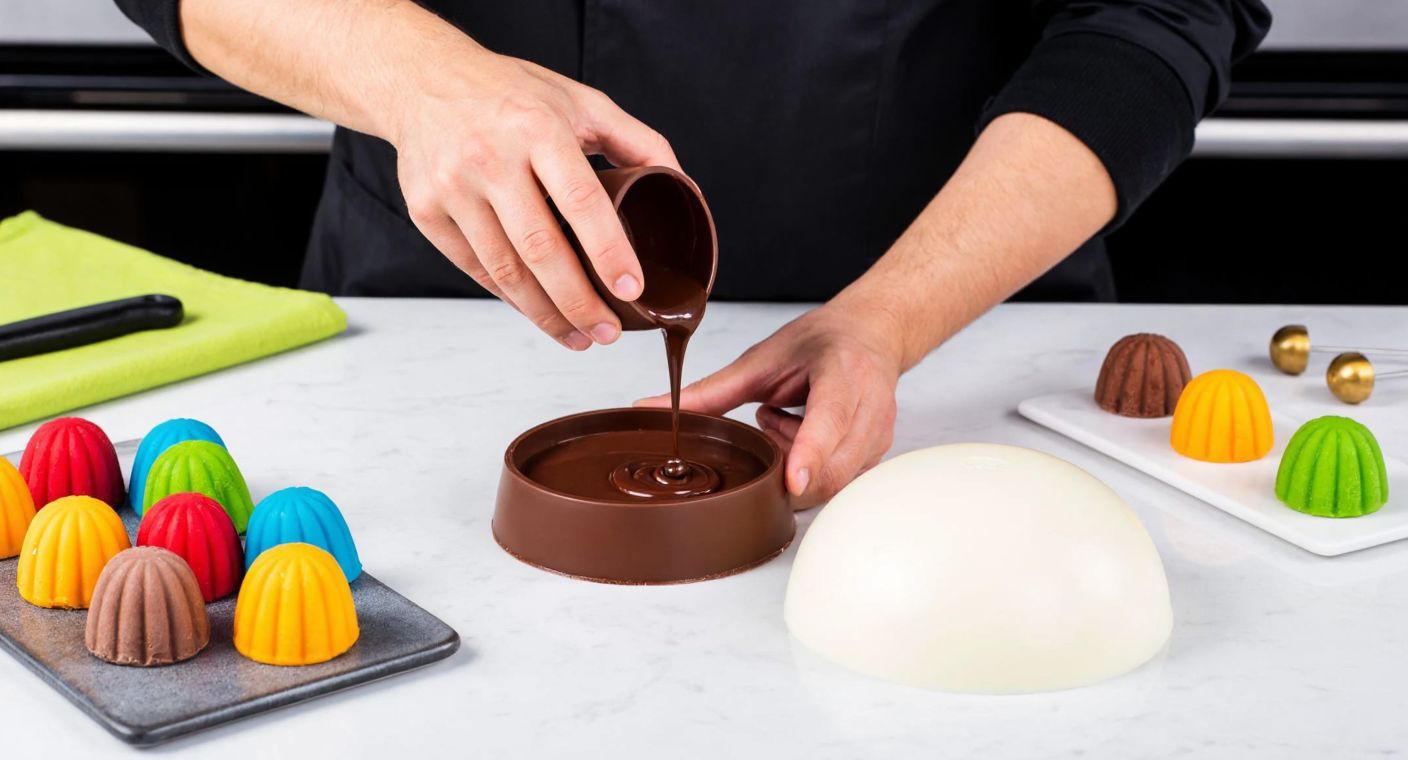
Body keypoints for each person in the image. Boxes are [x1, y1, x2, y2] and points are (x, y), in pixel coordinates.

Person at [116, 0, 1270, 507]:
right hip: (426, 330)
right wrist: (411, 75)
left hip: (957, 342)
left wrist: (892, 317)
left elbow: (1160, 11)